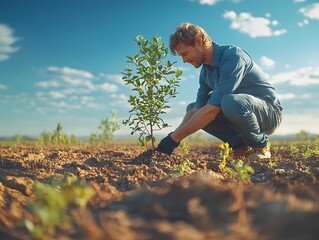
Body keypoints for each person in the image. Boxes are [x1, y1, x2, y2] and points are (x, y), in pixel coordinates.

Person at [156, 22, 282, 160]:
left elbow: (213, 108)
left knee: (228, 101)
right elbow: (195, 112)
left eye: (185, 53)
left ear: (198, 41)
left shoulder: (233, 57)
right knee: (193, 108)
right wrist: (174, 137)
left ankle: (261, 146)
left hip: (269, 114)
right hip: (241, 112)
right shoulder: (206, 72)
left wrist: (173, 139)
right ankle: (241, 146)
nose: (184, 60)